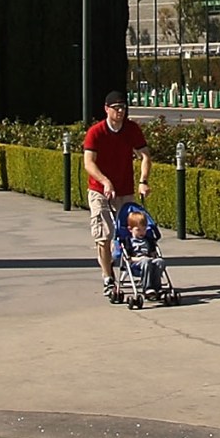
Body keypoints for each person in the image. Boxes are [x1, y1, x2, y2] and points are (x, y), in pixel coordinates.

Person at [82, 92, 149, 300]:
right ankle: (107, 278)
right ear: (106, 109)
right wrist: (105, 181)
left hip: (125, 189)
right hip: (99, 190)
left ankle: (135, 270)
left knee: (128, 232)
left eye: (123, 107)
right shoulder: (96, 132)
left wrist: (143, 181)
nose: (120, 111)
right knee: (104, 234)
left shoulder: (131, 129)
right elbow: (89, 163)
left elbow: (145, 154)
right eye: (116, 107)